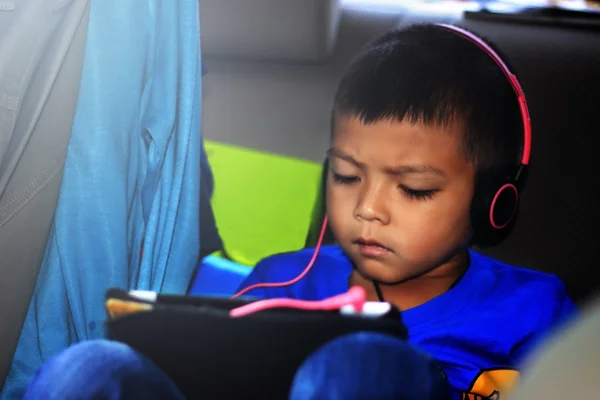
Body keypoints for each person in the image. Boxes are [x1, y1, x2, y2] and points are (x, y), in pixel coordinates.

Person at [21, 24, 576, 400]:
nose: (367, 209)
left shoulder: (534, 310)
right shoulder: (279, 281)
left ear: (492, 202)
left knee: (361, 364)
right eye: (346, 176)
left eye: (412, 189)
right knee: (91, 366)